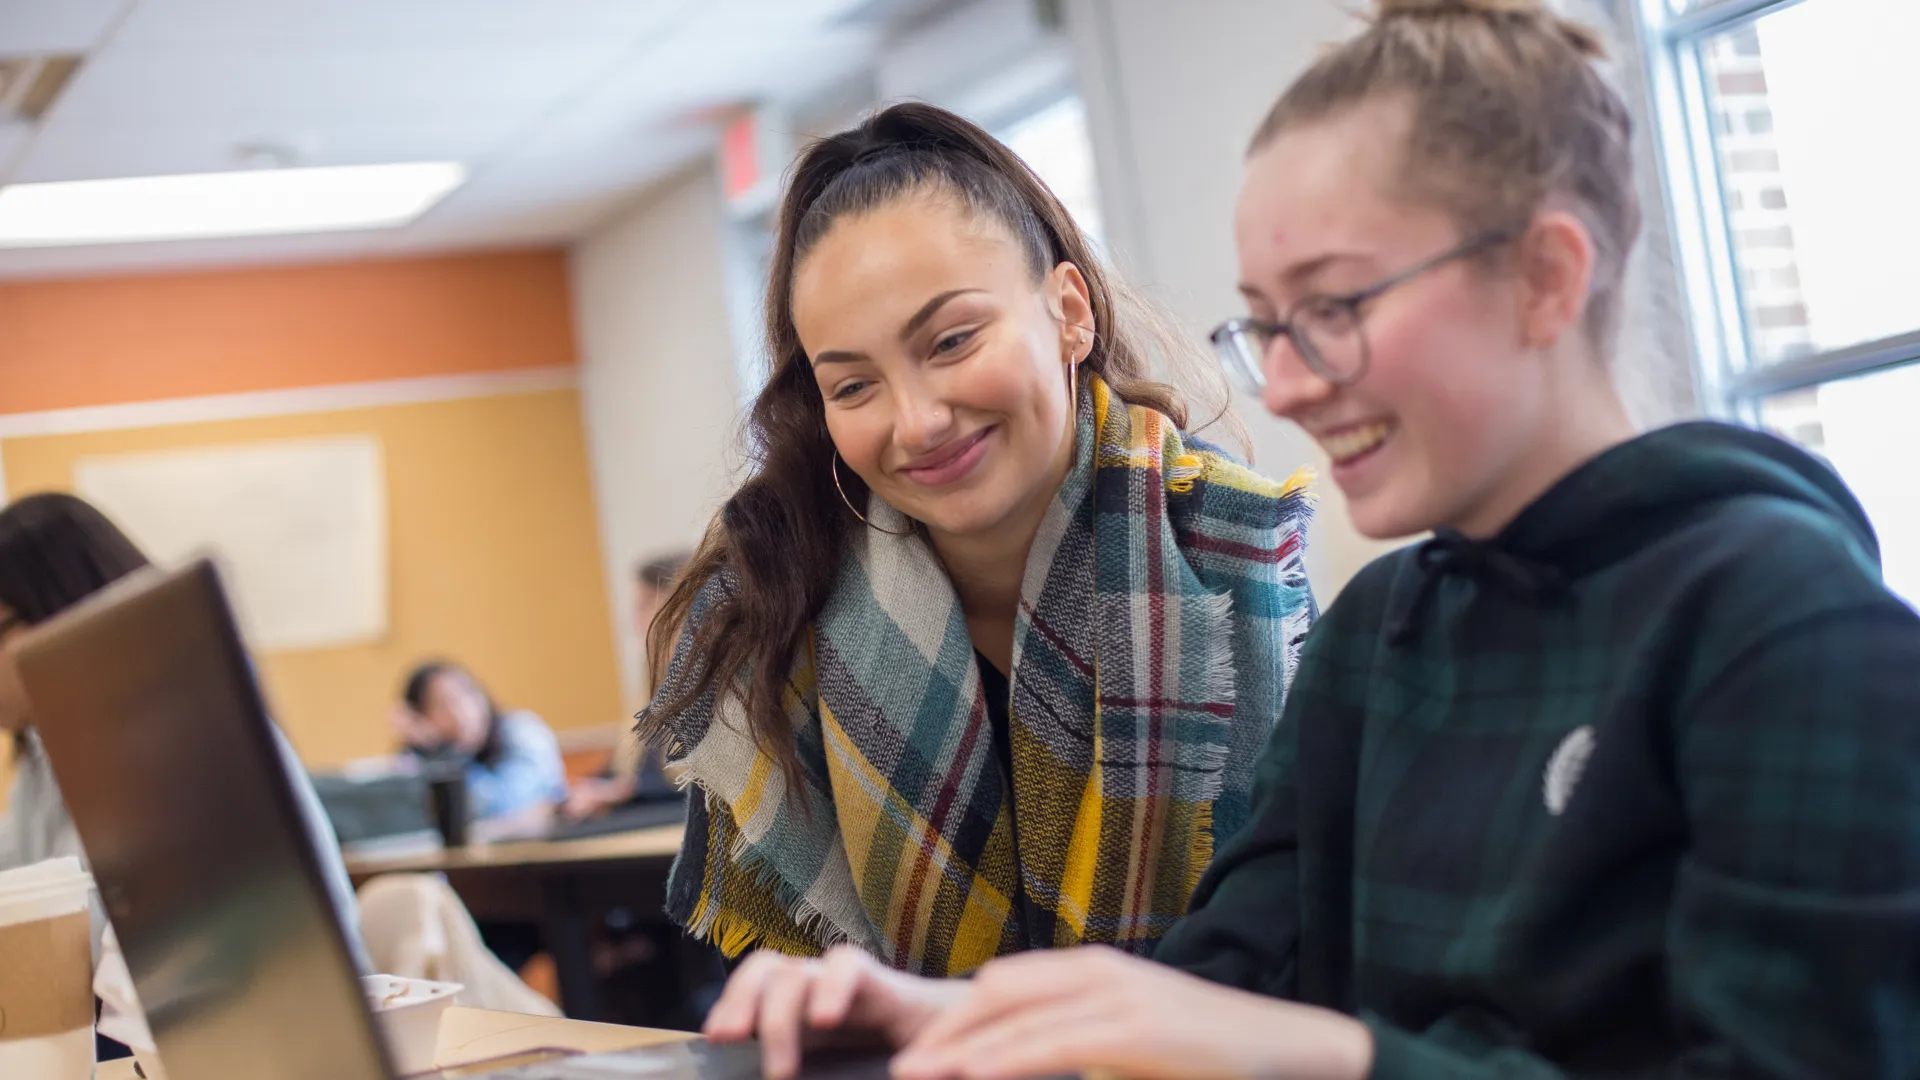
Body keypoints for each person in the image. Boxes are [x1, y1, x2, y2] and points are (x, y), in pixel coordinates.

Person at [692, 2, 1920, 1077]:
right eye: (1268, 326)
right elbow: (1209, 986)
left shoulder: (1785, 625)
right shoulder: (1384, 633)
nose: (1283, 386)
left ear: (1547, 278)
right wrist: (934, 1019)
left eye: (1333, 310)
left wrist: (1323, 1056)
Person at [639, 101, 1317, 977]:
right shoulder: (770, 603)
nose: (916, 423)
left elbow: (1312, 949)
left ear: (1069, 312)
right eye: (852, 387)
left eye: (952, 340)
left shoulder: (1234, 552)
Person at [0, 493, 369, 972]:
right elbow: (17, 887)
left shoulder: (184, 742)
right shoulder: (44, 755)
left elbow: (82, 949)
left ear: (59, 612)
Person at [564, 551, 692, 820]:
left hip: (679, 814)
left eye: (645, 605)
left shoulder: (709, 681)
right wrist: (587, 787)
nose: (635, 621)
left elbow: (698, 780)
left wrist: (625, 790)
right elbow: (632, 764)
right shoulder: (655, 680)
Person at [391, 660, 567, 821]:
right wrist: (430, 752)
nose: (459, 711)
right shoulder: (424, 757)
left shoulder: (523, 732)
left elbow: (500, 805)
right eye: (441, 703)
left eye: (464, 694)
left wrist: (440, 754)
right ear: (422, 719)